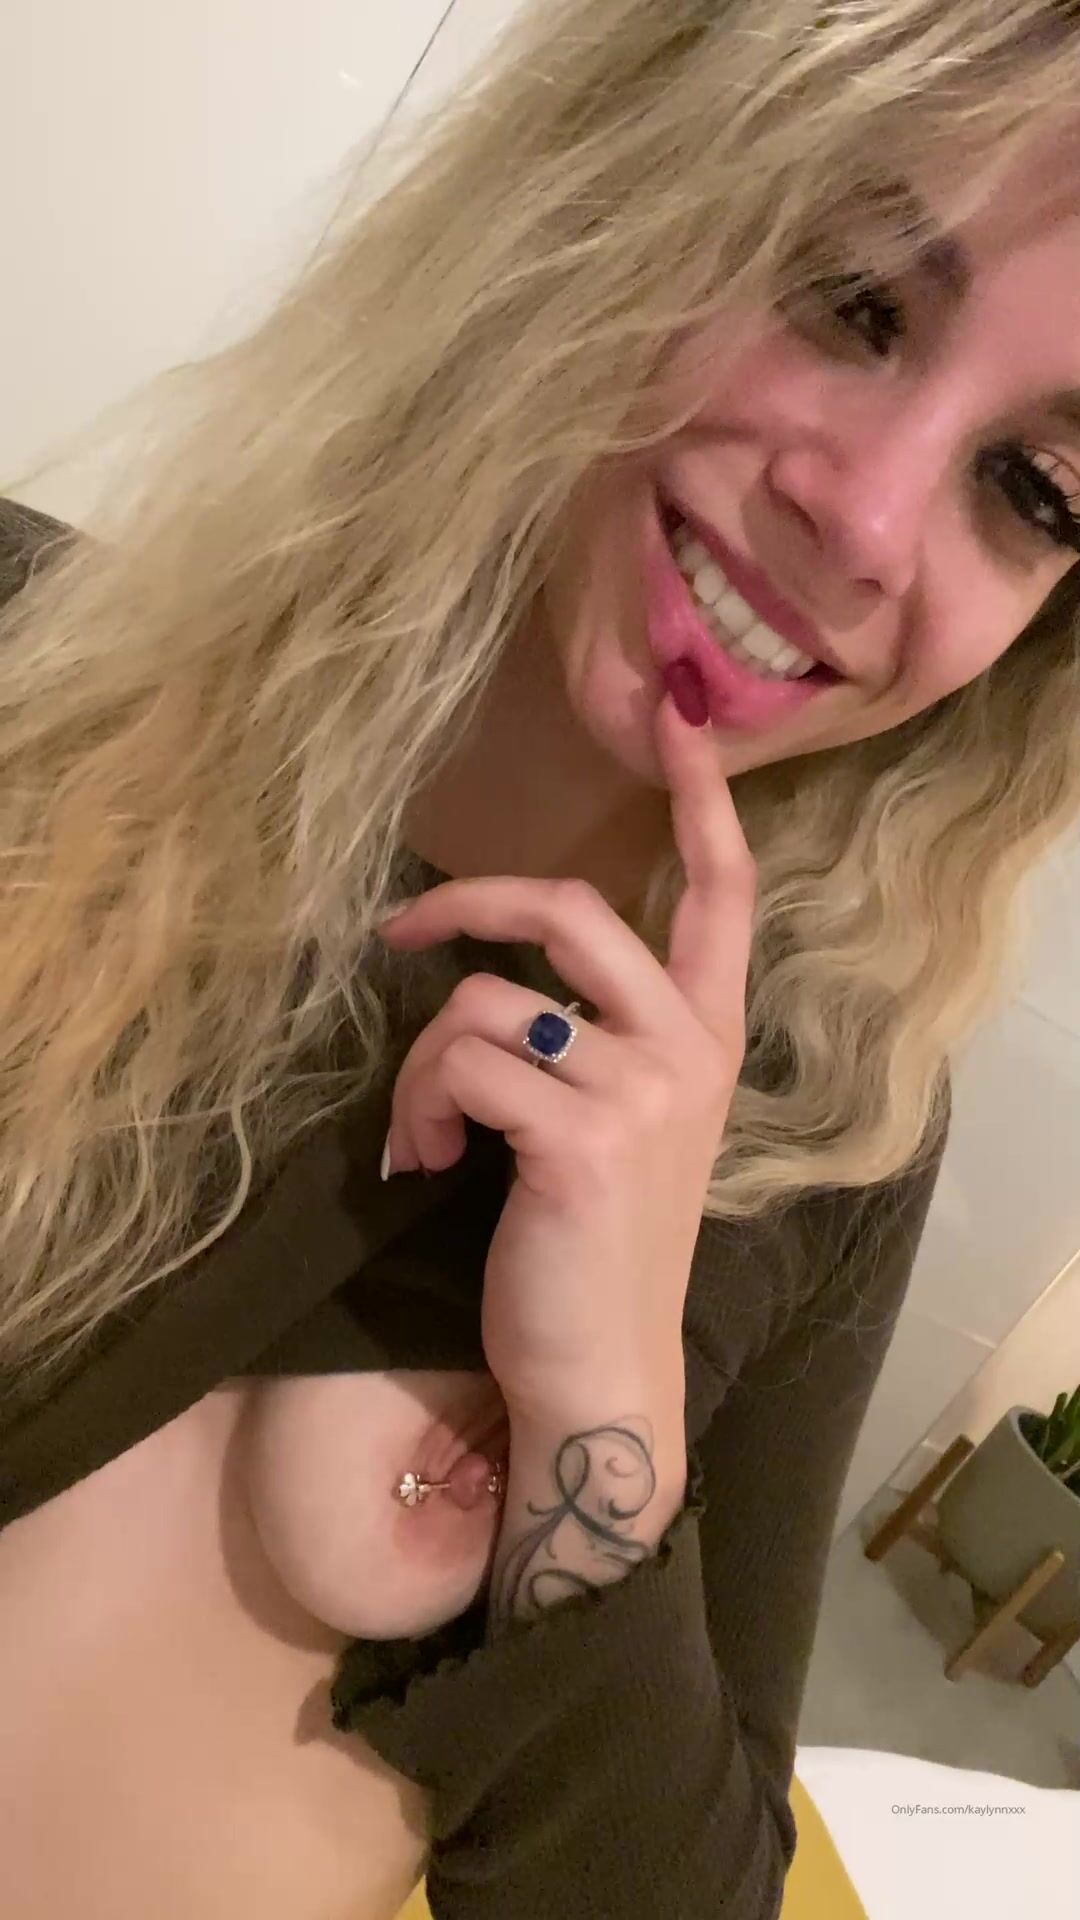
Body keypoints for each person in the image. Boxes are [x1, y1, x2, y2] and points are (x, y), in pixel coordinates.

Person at [2, 1, 1080, 1914]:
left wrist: (607, 1426)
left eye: (1042, 493)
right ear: (620, 186)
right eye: (849, 296)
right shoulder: (32, 678)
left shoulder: (822, 1128)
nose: (868, 520)